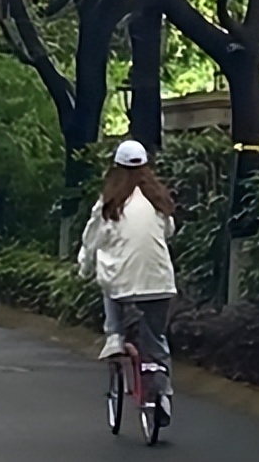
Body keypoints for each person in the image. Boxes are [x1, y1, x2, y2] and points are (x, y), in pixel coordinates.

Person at [78, 139, 176, 412]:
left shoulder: (109, 203)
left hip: (122, 286)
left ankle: (115, 335)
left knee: (109, 274)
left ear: (116, 168)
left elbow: (92, 239)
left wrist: (84, 267)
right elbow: (169, 231)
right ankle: (163, 394)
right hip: (161, 283)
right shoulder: (158, 200)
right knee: (156, 338)